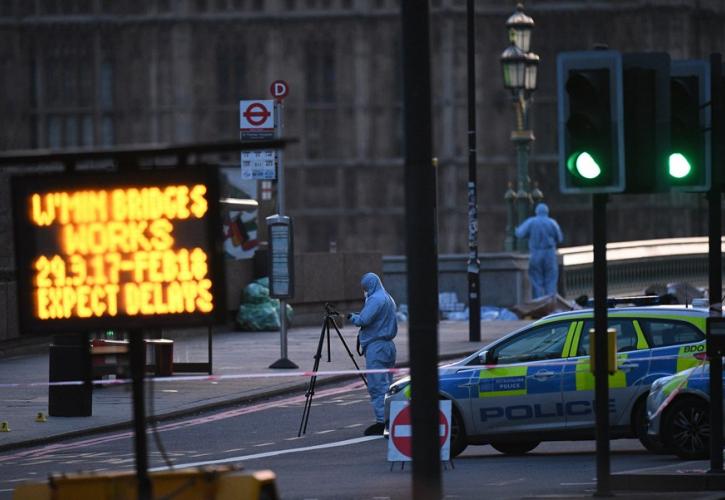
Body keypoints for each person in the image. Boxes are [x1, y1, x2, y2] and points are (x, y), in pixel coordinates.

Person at [348, 272, 397, 436]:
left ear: (370, 285)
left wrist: (351, 317)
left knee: (377, 386)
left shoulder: (376, 299)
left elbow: (364, 320)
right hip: (389, 346)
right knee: (388, 386)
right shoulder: (388, 298)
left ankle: (382, 422)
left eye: (365, 287)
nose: (364, 291)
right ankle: (391, 418)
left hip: (377, 347)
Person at [515, 202, 563, 299]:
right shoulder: (552, 223)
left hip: (536, 253)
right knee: (550, 281)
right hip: (549, 254)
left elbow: (519, 233)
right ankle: (551, 303)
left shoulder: (531, 221)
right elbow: (560, 238)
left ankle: (539, 303)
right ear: (547, 212)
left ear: (536, 212)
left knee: (537, 281)